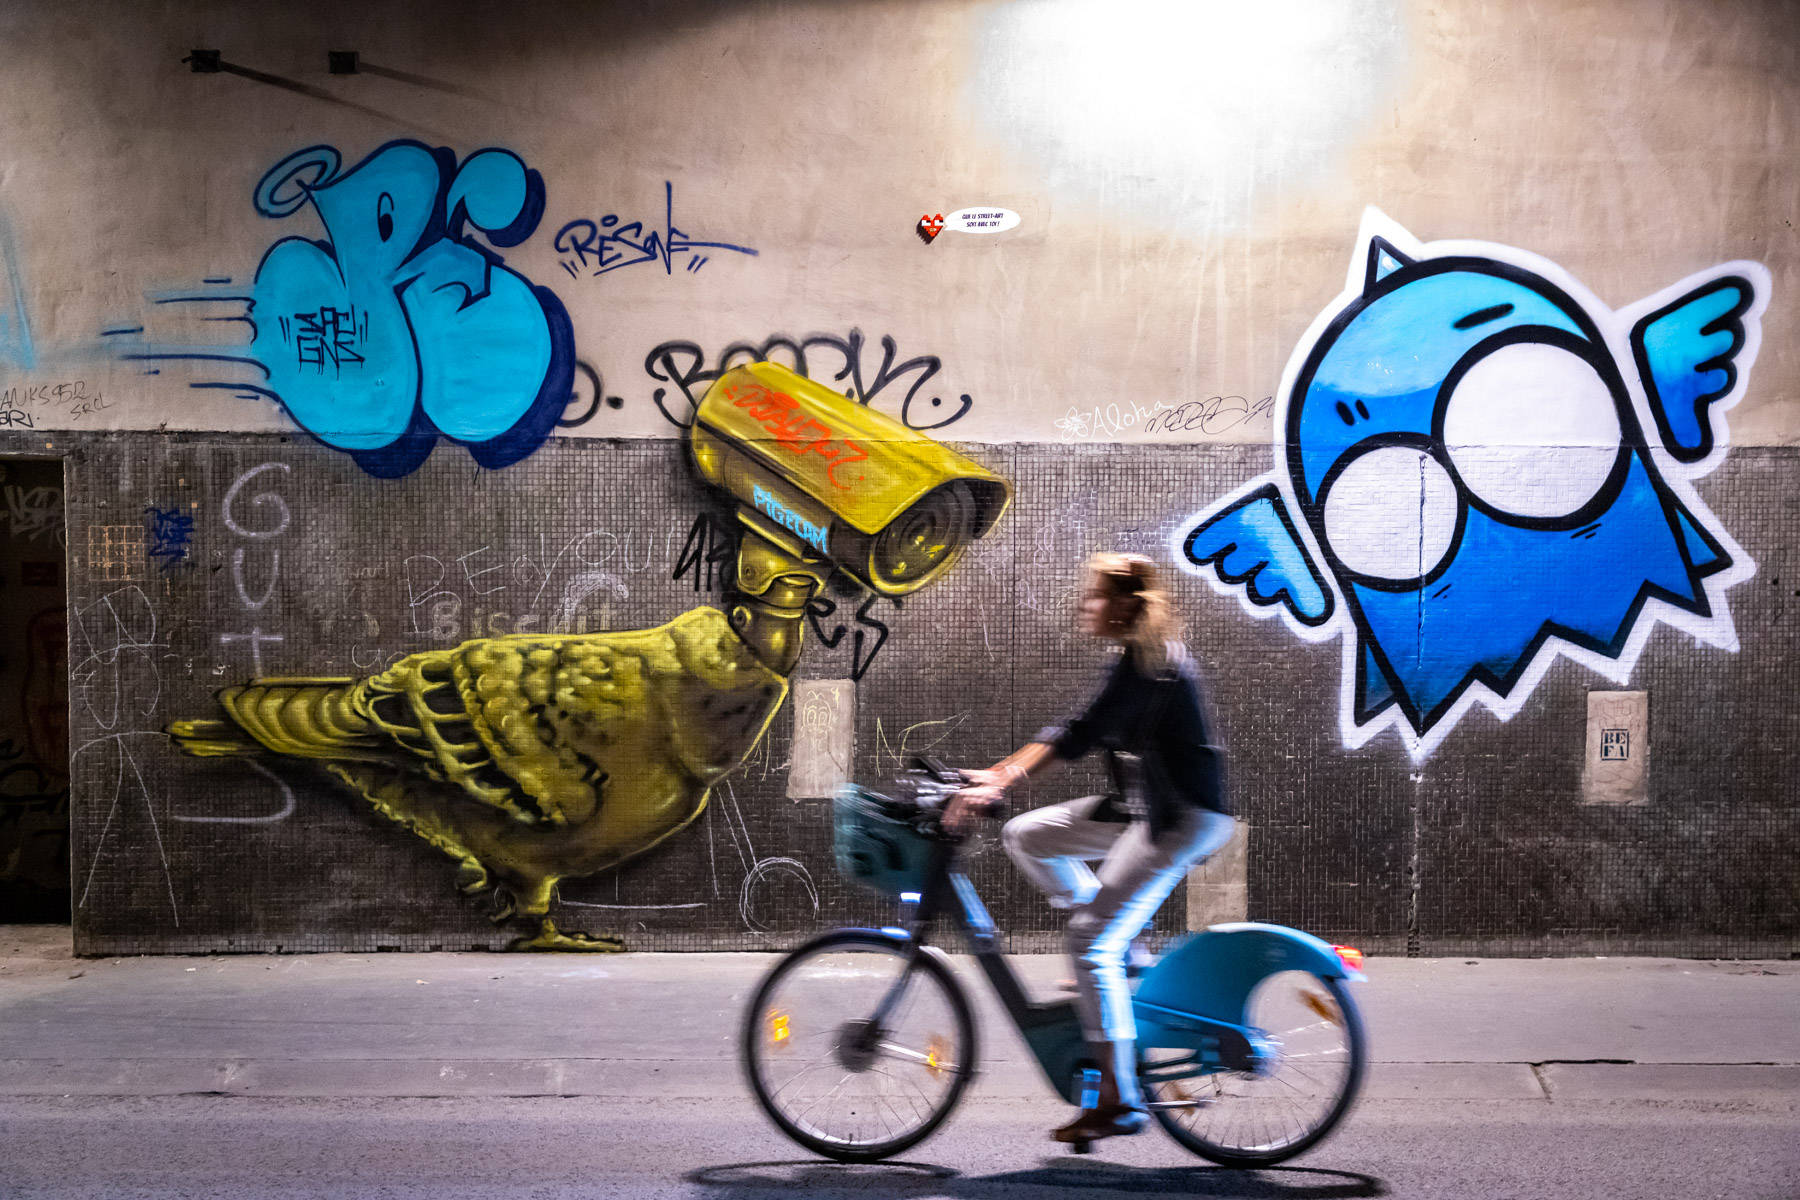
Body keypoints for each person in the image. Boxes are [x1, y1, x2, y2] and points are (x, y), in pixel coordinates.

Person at [945, 551, 1234, 1144]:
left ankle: (1120, 1098)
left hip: (1180, 816)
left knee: (1088, 941)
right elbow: (1072, 726)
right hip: (1143, 808)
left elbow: (1079, 733)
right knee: (1026, 834)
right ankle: (1115, 951)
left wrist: (1002, 778)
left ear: (1128, 604)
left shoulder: (1154, 667)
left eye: (1097, 594)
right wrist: (999, 774)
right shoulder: (1134, 660)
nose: (1087, 604)